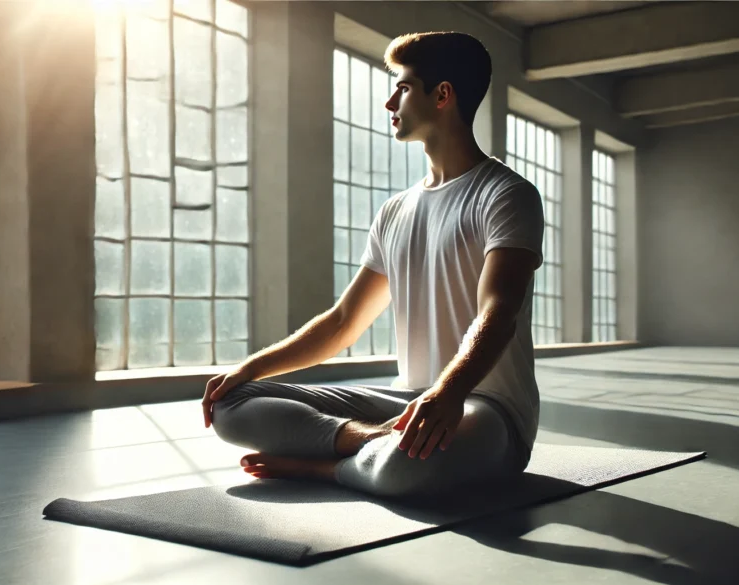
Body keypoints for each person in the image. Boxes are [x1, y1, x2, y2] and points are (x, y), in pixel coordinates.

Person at [202, 31, 545, 499]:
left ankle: (321, 468)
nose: (389, 103)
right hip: (404, 401)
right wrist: (249, 369)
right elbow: (344, 323)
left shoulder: (505, 194)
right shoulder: (394, 211)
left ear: (442, 94)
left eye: (402, 88)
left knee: (408, 467)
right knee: (231, 406)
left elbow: (498, 310)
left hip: (488, 411)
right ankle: (369, 442)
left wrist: (445, 395)